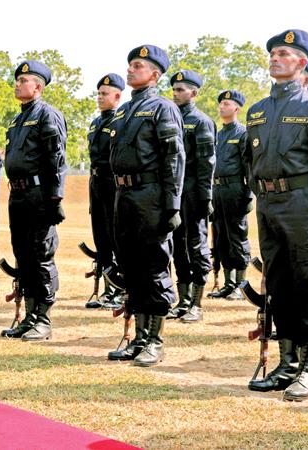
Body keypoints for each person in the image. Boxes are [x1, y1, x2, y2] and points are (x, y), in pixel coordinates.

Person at [244, 29, 308, 401]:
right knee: (279, 282)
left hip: (303, 204)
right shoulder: (257, 110)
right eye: (272, 52)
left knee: (307, 285)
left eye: (284, 53)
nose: (275, 57)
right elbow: (249, 163)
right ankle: (286, 363)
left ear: (301, 63)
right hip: (269, 205)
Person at [107, 45, 185, 365]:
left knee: (153, 266)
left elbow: (174, 158)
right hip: (124, 196)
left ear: (154, 74)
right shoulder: (124, 111)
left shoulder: (162, 108)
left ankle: (155, 338)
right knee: (131, 267)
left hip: (151, 195)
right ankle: (138, 336)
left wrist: (172, 205)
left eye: (137, 66)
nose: (130, 70)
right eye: (129, 65)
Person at [0, 60, 68, 342]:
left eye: (23, 80)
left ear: (38, 87)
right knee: (23, 255)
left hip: (39, 195)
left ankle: (43, 318)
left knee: (41, 256)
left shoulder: (47, 115)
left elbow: (57, 158)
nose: (17, 83)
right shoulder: (17, 119)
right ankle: (29, 316)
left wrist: (55, 197)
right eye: (17, 80)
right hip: (18, 195)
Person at [166, 70, 216, 323]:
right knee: (177, 244)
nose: (175, 94)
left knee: (196, 245)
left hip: (194, 192)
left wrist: (206, 198)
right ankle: (183, 299)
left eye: (181, 90)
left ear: (194, 93)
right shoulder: (170, 118)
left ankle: (196, 302)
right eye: (174, 90)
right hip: (175, 193)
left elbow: (207, 163)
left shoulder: (201, 121)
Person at [207, 90, 252, 301]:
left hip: (235, 189)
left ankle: (240, 285)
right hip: (216, 191)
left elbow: (249, 168)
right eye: (221, 104)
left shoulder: (243, 134)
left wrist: (248, 196)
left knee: (237, 237)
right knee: (221, 238)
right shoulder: (218, 134)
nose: (221, 107)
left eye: (226, 104)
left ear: (236, 108)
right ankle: (228, 282)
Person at [85, 73, 125, 309]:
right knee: (101, 238)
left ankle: (120, 289)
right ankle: (109, 289)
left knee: (116, 237)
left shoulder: (120, 120)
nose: (100, 97)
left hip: (112, 184)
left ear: (117, 96)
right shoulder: (95, 123)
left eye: (105, 94)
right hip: (96, 184)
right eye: (98, 93)